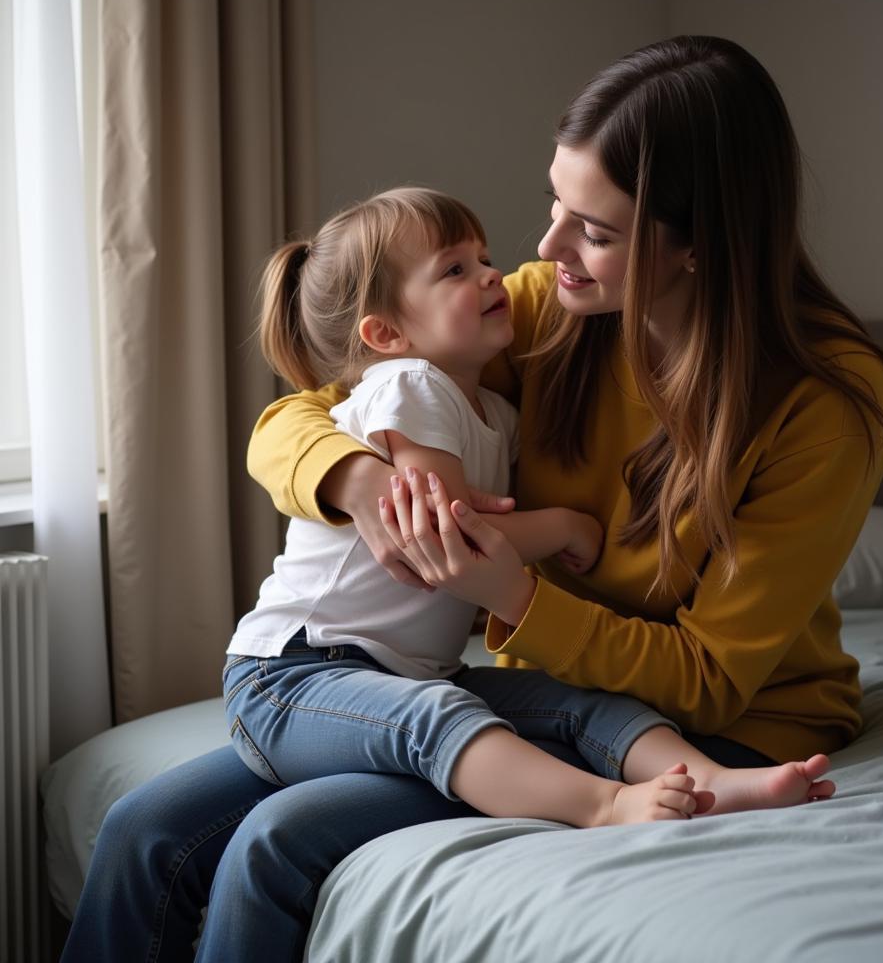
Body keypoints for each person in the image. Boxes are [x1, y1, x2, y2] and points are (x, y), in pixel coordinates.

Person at [61, 35, 883, 963]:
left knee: (276, 843)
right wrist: (361, 482)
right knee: (145, 830)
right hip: (539, 692)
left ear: (695, 246)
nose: (548, 248)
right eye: (556, 207)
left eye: (594, 230)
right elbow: (308, 411)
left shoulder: (822, 399)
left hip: (723, 726)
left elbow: (712, 677)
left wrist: (510, 595)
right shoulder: (557, 309)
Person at [225, 184, 818, 830]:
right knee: (442, 720)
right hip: (294, 674)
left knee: (580, 702)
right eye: (456, 270)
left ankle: (711, 781)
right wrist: (568, 528)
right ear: (385, 333)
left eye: (481, 258)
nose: (490, 274)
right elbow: (452, 538)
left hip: (410, 672)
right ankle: (605, 805)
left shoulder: (496, 413)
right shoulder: (409, 384)